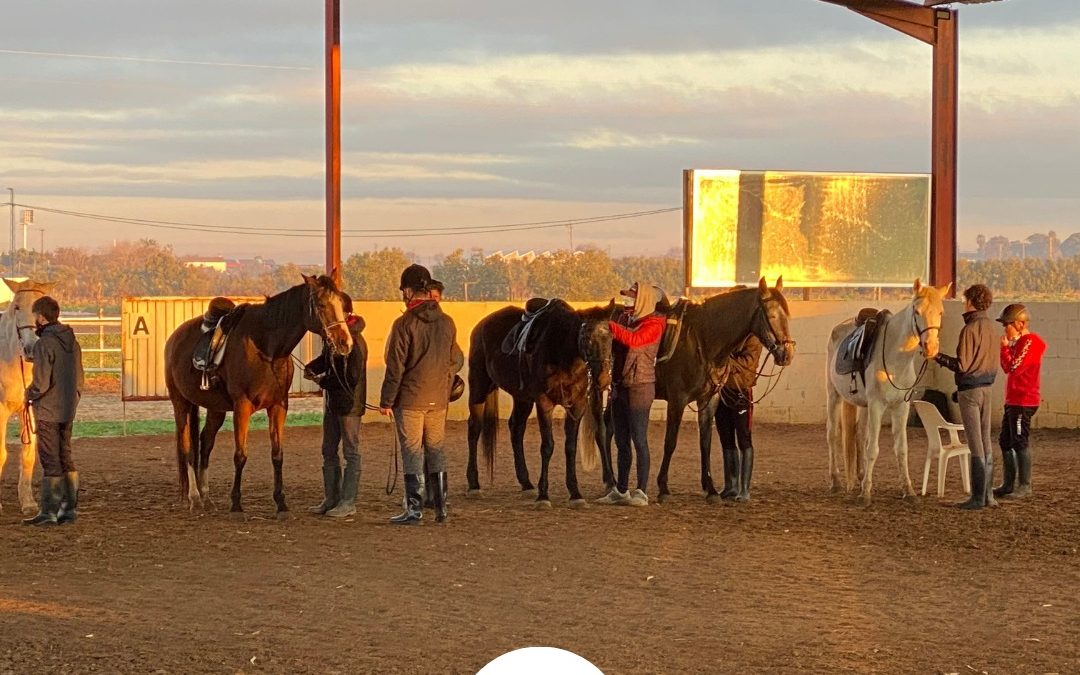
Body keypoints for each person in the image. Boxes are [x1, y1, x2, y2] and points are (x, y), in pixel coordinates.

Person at [379, 264, 464, 524]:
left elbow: (396, 367)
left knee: (413, 452)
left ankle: (414, 509)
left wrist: (386, 400)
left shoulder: (404, 323)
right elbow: (454, 360)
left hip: (411, 400)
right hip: (439, 400)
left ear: (408, 290)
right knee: (436, 450)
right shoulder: (448, 322)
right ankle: (441, 508)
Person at [595, 281, 666, 507]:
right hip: (620, 385)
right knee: (622, 441)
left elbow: (635, 341)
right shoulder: (626, 320)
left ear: (643, 300)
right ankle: (622, 489)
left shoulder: (655, 324)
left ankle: (641, 491)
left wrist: (611, 327)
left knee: (639, 439)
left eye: (631, 298)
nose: (627, 302)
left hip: (640, 387)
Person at [304, 294, 368, 518]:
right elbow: (325, 359)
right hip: (333, 402)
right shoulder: (333, 338)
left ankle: (348, 501)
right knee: (328, 449)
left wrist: (322, 381)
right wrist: (313, 366)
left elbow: (349, 377)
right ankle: (331, 498)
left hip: (349, 404)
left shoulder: (356, 342)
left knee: (351, 451)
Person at [23, 296, 85, 526]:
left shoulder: (44, 344)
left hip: (48, 410)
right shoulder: (72, 342)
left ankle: (48, 512)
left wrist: (28, 395)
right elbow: (80, 378)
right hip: (68, 409)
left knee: (50, 460)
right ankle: (68, 510)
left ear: (40, 317)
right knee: (65, 455)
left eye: (34, 317)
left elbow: (41, 383)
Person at [934, 284, 997, 510]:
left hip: (970, 391)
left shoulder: (969, 329)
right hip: (987, 389)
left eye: (965, 299)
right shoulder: (990, 327)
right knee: (986, 441)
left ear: (971, 301)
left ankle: (977, 498)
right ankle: (988, 495)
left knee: (975, 444)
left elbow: (962, 366)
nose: (963, 302)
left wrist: (937, 357)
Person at [994, 303, 1045, 500]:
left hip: (1023, 401)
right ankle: (1008, 484)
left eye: (1007, 325)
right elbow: (1009, 368)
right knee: (1005, 441)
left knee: (1019, 440)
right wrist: (1006, 350)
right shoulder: (1018, 344)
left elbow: (1013, 367)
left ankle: (1024, 485)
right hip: (1014, 400)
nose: (1005, 329)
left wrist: (1005, 350)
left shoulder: (1030, 342)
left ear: (1019, 324)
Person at [715, 335, 763, 502]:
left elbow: (748, 362)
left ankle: (744, 489)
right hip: (722, 390)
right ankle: (731, 485)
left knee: (744, 439)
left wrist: (723, 359)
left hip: (741, 391)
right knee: (726, 439)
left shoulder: (753, 339)